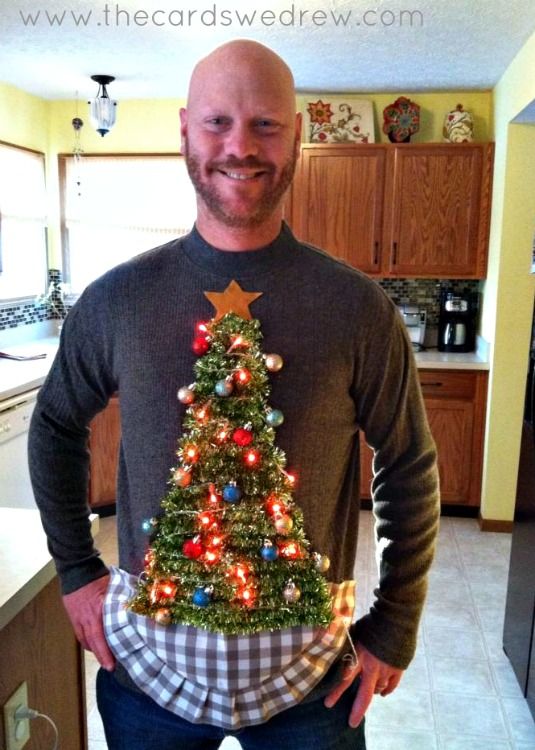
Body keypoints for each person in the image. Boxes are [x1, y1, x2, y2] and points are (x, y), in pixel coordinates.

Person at [29, 39, 440, 749]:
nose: (239, 146)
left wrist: (394, 624)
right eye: (217, 122)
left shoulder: (357, 308)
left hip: (314, 682)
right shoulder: (117, 300)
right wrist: (75, 571)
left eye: (265, 125)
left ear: (299, 136)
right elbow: (56, 426)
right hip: (145, 677)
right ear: (184, 129)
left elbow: (407, 465)